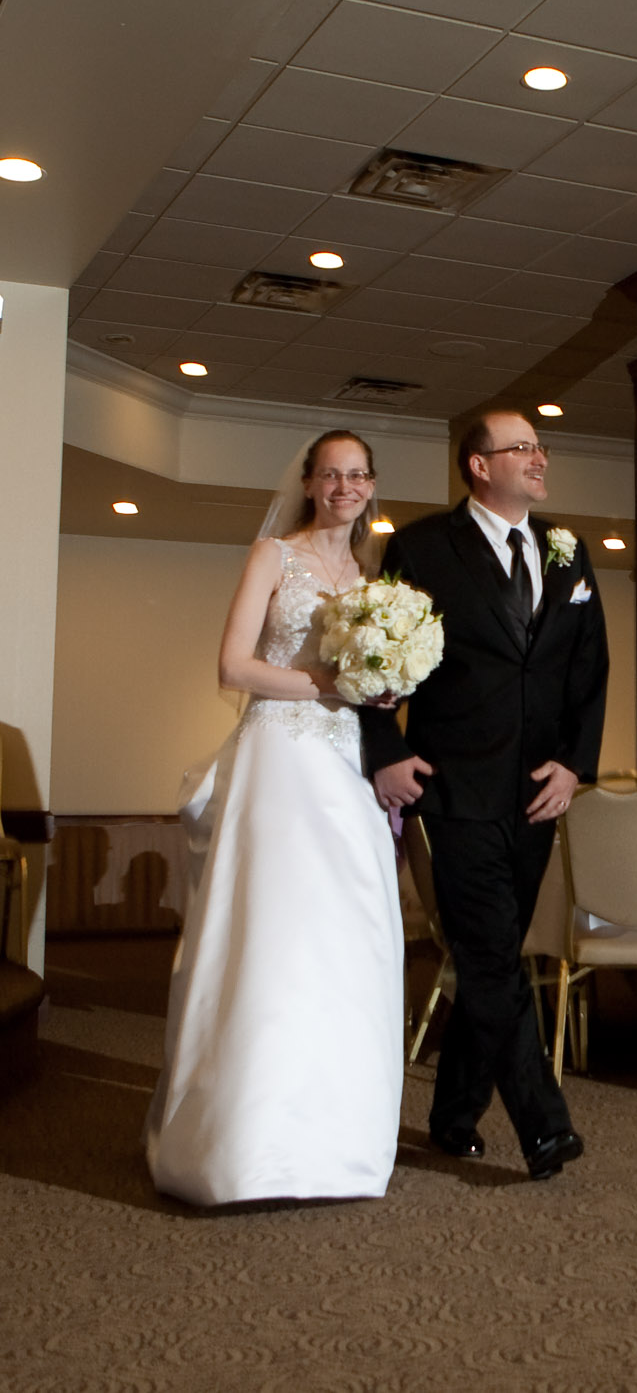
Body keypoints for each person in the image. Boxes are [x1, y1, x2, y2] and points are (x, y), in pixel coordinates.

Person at [147, 430, 404, 1206]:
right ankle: (245, 1144)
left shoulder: (370, 574)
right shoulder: (274, 556)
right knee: (272, 936)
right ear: (308, 480)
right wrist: (322, 681)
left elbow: (369, 675)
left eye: (358, 474)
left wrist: (382, 685)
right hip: (280, 760)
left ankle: (336, 1140)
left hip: (343, 767)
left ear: (370, 485)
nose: (345, 486)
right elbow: (232, 666)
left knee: (349, 938)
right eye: (332, 473)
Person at [361, 409, 607, 1180]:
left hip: (538, 792)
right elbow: (378, 655)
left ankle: (453, 1110)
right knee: (495, 958)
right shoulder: (423, 546)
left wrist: (574, 764)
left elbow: (587, 670)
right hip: (454, 785)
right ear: (477, 464)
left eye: (539, 446)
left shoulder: (569, 550)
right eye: (522, 448)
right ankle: (544, 1124)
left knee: (490, 956)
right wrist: (387, 751)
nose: (539, 458)